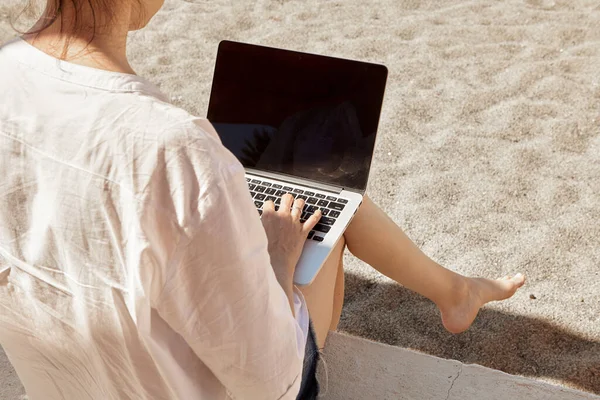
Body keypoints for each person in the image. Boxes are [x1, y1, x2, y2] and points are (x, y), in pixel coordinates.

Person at [0, 1, 525, 399]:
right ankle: (456, 293)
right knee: (328, 216)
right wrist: (276, 255)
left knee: (317, 205)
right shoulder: (172, 146)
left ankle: (455, 292)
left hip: (64, 381)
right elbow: (269, 383)